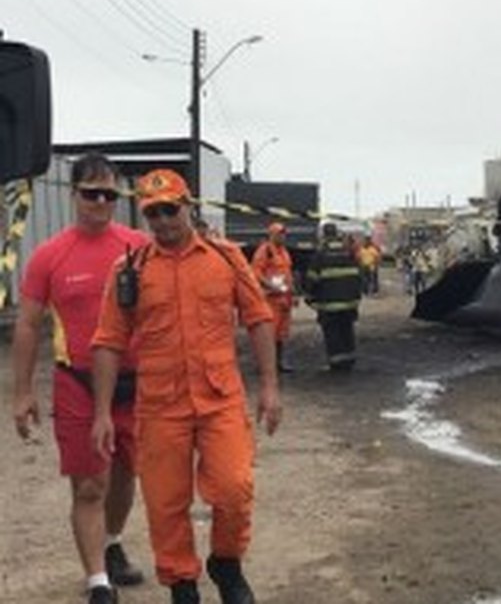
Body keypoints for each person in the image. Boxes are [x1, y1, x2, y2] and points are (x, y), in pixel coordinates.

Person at [89, 168, 283, 604]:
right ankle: (182, 583)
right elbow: (108, 341)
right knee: (165, 503)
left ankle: (227, 563)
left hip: (220, 399)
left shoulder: (226, 257)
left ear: (188, 207)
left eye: (169, 209)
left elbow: (259, 318)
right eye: (152, 213)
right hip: (160, 405)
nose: (162, 220)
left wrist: (270, 386)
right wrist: (102, 412)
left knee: (233, 489)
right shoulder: (130, 270)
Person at [11, 153, 147, 604]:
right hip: (78, 384)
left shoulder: (137, 246)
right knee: (91, 483)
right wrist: (23, 391)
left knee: (127, 475)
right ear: (74, 195)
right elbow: (28, 325)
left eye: (110, 194)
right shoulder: (50, 256)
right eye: (92, 194)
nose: (101, 202)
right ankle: (97, 583)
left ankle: (110, 544)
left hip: (135, 382)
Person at [304, 222, 361, 371]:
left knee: (333, 333)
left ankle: (337, 364)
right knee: (347, 330)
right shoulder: (349, 252)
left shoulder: (321, 254)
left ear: (323, 234)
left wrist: (309, 296)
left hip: (329, 304)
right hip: (349, 303)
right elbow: (358, 276)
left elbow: (312, 278)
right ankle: (349, 360)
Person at [251, 222, 295, 373]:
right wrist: (270, 285)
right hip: (271, 299)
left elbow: (288, 273)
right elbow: (256, 272)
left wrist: (293, 293)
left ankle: (279, 363)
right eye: (280, 234)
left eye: (284, 234)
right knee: (269, 334)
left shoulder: (284, 251)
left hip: (284, 299)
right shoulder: (265, 251)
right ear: (272, 235)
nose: (283, 237)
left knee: (282, 334)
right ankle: (265, 365)